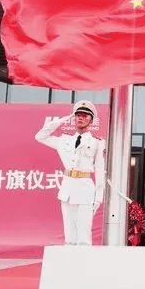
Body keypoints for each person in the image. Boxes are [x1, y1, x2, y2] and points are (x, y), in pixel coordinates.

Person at [35, 100, 107, 246]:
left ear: (91, 120)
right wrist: (63, 120)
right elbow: (40, 136)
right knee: (69, 235)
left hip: (86, 189)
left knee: (83, 236)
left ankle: (83, 259)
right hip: (68, 188)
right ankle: (69, 259)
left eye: (85, 116)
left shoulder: (97, 142)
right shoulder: (64, 140)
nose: (81, 118)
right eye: (78, 115)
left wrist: (99, 197)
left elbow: (100, 170)